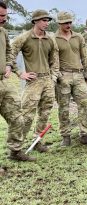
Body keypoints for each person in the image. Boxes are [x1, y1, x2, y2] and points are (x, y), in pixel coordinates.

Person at [11, 9, 60, 153]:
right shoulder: (24, 38)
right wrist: (20, 73)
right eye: (44, 20)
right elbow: (10, 54)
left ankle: (38, 141)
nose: (46, 23)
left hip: (48, 80)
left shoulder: (50, 39)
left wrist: (53, 78)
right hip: (33, 81)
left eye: (48, 21)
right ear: (35, 21)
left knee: (45, 113)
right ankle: (16, 148)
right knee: (27, 115)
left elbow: (55, 61)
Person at [54, 11, 87, 146]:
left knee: (86, 105)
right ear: (59, 23)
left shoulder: (78, 37)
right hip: (62, 76)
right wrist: (58, 76)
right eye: (65, 22)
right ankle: (65, 136)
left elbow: (85, 57)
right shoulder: (53, 39)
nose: (68, 25)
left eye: (70, 22)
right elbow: (51, 60)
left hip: (78, 75)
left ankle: (85, 134)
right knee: (63, 108)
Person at [0, 1, 35, 161]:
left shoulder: (3, 32)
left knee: (17, 117)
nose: (4, 19)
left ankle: (15, 152)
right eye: (0, 16)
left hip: (4, 82)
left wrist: (8, 65)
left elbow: (9, 51)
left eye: (5, 16)